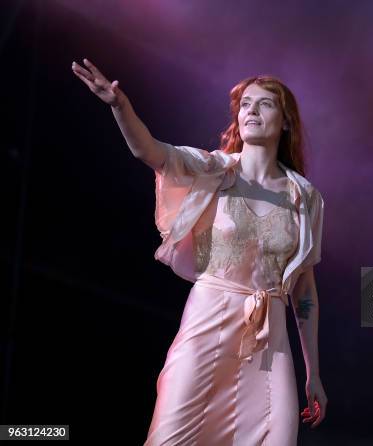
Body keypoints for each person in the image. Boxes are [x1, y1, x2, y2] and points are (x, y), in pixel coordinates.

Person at [72, 58, 328, 445]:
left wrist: (314, 373)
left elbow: (304, 290)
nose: (252, 110)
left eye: (265, 103)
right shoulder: (215, 169)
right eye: (245, 104)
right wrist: (120, 106)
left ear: (286, 120)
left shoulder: (304, 197)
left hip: (268, 343)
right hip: (209, 321)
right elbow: (152, 152)